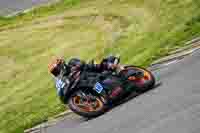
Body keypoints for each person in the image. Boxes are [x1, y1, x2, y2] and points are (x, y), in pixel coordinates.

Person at [48, 56, 130, 104]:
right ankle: (104, 95)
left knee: (94, 65)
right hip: (86, 81)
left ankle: (116, 68)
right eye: (55, 72)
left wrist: (76, 68)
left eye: (57, 69)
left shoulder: (71, 62)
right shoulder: (63, 78)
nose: (57, 72)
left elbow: (81, 63)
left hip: (90, 71)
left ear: (61, 64)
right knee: (91, 82)